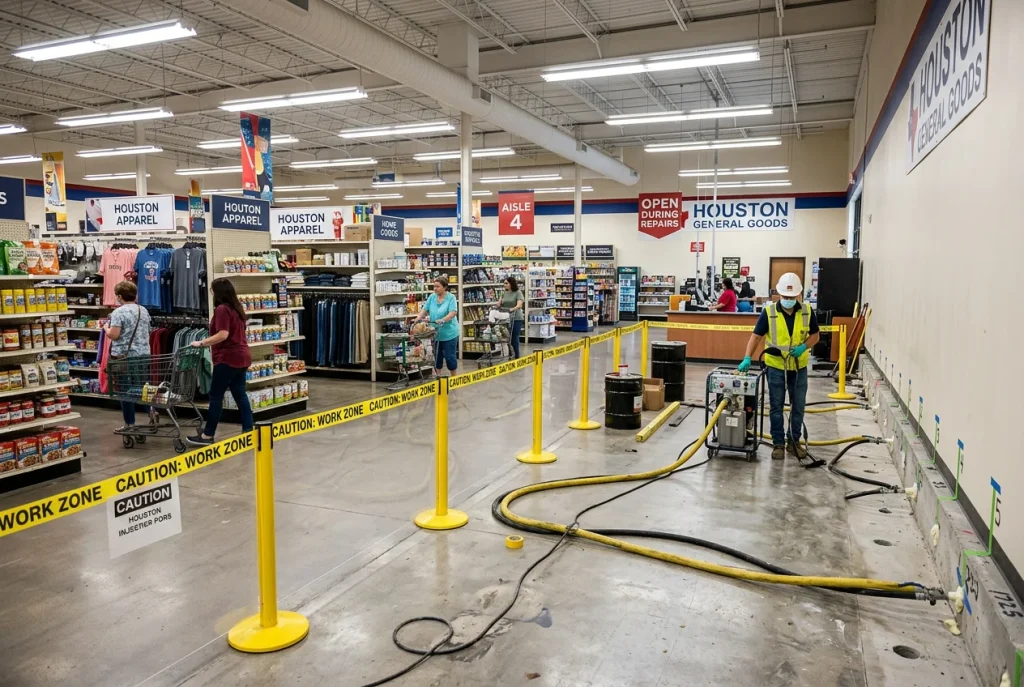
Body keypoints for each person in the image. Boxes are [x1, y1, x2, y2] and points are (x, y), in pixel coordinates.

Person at [738, 273, 819, 460]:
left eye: (791, 297)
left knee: (798, 406)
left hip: (799, 367)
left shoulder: (807, 311)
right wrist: (747, 357)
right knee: (776, 406)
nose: (788, 300)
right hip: (775, 367)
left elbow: (815, 335)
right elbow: (756, 336)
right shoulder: (769, 312)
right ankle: (778, 444)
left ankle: (793, 442)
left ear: (798, 295)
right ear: (779, 295)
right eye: (785, 297)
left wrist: (804, 347)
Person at [186, 278, 253, 446]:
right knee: (240, 394)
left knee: (215, 397)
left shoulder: (222, 309)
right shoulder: (237, 309)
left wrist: (201, 343)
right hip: (242, 356)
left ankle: (208, 435)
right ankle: (248, 430)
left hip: (228, 358)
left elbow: (223, 334)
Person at [104, 281, 156, 432]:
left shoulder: (118, 312)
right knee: (143, 387)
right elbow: (148, 330)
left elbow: (114, 335)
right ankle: (151, 410)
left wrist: (106, 328)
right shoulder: (143, 310)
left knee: (124, 390)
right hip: (143, 354)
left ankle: (130, 424)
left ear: (119, 296)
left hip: (124, 357)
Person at [414, 276, 459, 376]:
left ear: (445, 287)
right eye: (434, 286)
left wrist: (443, 320)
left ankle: (454, 378)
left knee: (449, 357)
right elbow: (425, 310)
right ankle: (438, 377)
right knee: (437, 356)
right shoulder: (432, 297)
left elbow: (453, 312)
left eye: (438, 286)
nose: (435, 288)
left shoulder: (451, 298)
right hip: (436, 333)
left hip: (449, 333)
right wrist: (417, 318)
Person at [499, 277, 525, 359]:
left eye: (506, 283)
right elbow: (499, 303)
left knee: (514, 336)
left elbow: (519, 304)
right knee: (505, 337)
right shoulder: (503, 293)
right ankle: (508, 354)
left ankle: (516, 356)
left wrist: (513, 309)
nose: (505, 285)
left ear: (511, 284)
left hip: (516, 317)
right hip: (505, 317)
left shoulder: (518, 293)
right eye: (504, 283)